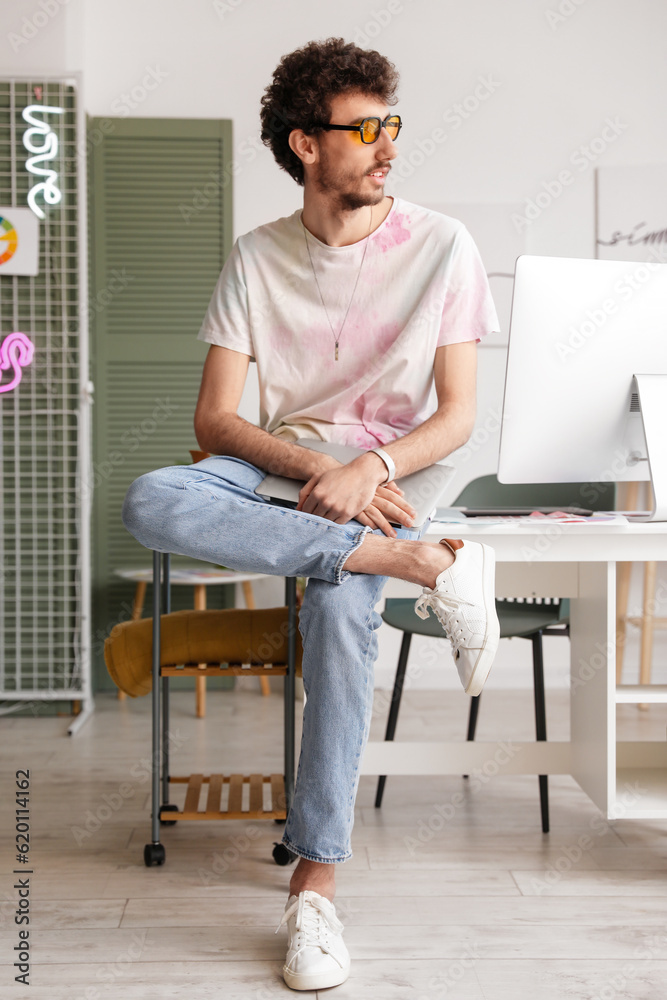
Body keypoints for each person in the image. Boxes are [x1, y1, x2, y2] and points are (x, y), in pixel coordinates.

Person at [121, 37, 501, 992]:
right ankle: (423, 565)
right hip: (290, 479)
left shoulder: (444, 244)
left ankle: (314, 892)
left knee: (334, 608)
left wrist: (367, 461)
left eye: (391, 127)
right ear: (303, 144)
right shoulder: (256, 259)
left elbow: (457, 416)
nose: (386, 147)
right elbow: (212, 422)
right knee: (153, 496)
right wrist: (317, 466)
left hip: (397, 480)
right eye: (363, 130)